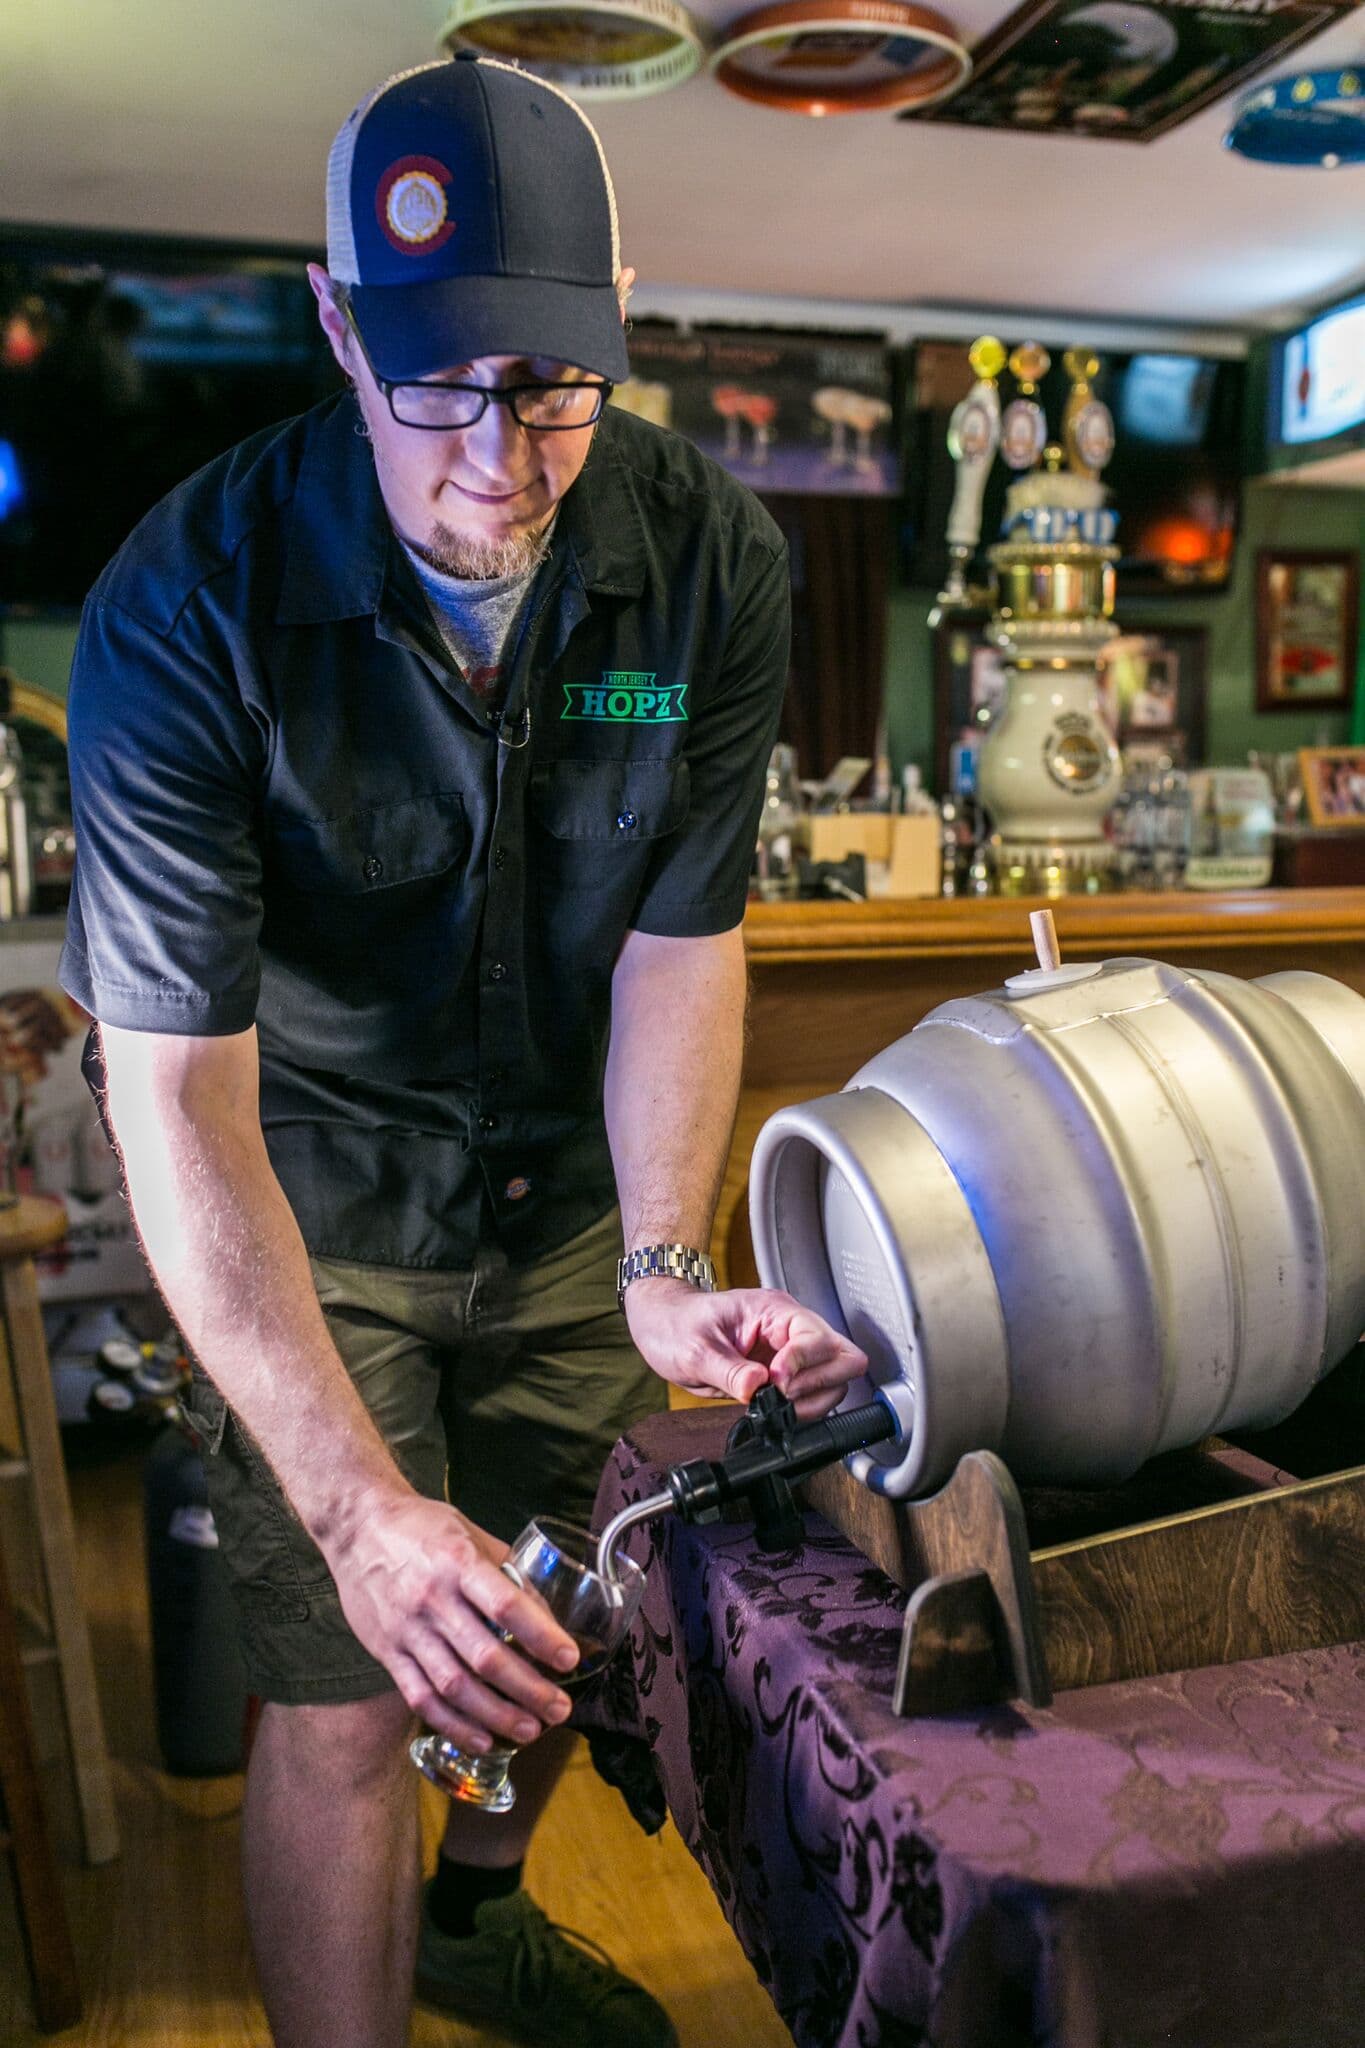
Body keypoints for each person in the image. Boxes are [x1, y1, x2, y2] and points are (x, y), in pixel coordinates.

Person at [59, 53, 868, 2048]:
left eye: (551, 383)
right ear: (337, 324)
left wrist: (669, 1268)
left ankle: (482, 1924)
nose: (500, 456)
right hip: (307, 1212)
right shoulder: (185, 609)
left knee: (560, 1614)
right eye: (438, 382)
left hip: (573, 1214)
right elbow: (174, 1096)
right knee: (356, 1688)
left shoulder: (703, 561)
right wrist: (350, 1507)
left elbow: (679, 947)